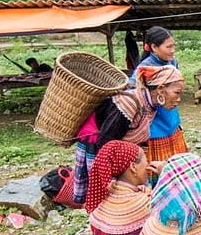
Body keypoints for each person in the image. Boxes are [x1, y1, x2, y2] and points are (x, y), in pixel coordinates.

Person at [73, 65, 185, 205]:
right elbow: (106, 142)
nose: (179, 99)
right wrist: (108, 177)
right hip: (98, 146)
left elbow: (139, 137)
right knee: (107, 197)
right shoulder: (129, 103)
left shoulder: (151, 105)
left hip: (115, 149)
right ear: (161, 89)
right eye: (177, 93)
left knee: (125, 192)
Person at [129, 27, 189, 166]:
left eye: (173, 46)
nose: (172, 50)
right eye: (168, 47)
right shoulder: (143, 68)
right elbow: (133, 89)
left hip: (171, 115)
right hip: (154, 121)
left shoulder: (173, 62)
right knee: (159, 163)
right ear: (154, 47)